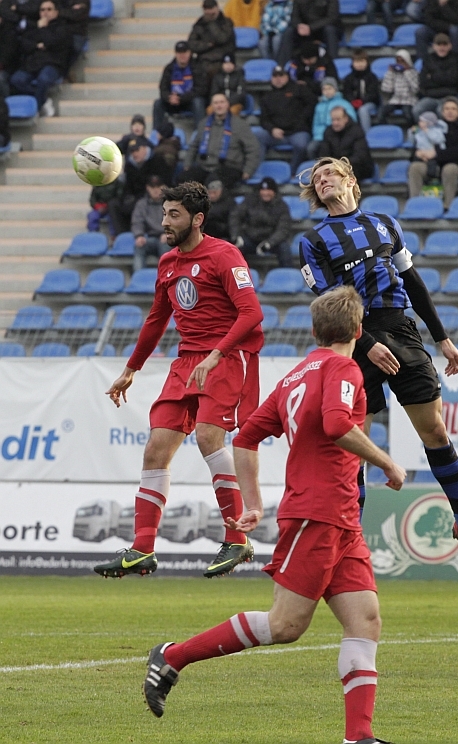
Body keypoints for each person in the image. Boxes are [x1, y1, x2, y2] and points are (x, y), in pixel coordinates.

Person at [141, 284, 407, 744]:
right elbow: (337, 424)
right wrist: (386, 462)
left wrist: (254, 503)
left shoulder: (295, 375)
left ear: (314, 331)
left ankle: (358, 737)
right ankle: (173, 656)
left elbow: (245, 436)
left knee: (365, 620)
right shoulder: (344, 368)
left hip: (340, 518)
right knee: (285, 625)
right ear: (358, 330)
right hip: (317, 512)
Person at [299, 156, 458, 568]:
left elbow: (413, 282)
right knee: (355, 446)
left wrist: (441, 337)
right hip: (352, 342)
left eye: (329, 173)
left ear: (350, 180)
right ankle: (350, 543)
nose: (323, 180)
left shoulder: (385, 223)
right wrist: (365, 343)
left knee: (434, 430)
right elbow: (329, 303)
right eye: (317, 179)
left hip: (400, 330)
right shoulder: (313, 240)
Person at [94, 181, 264, 580]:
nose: (165, 222)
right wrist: (131, 369)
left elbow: (251, 313)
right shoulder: (168, 262)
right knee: (156, 449)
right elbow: (157, 319)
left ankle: (237, 538)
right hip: (187, 361)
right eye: (164, 213)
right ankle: (142, 549)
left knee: (207, 437)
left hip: (227, 356)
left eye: (174, 215)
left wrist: (217, 354)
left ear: (197, 219)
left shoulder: (225, 255)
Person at [182, 92, 260, 189]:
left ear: (227, 104)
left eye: (222, 102)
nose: (219, 106)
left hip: (230, 167)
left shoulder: (240, 125)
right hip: (205, 167)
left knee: (213, 182)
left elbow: (252, 148)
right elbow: (194, 146)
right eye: (216, 103)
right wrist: (187, 165)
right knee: (183, 179)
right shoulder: (204, 123)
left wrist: (248, 170)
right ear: (212, 106)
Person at [408, 96, 458, 208]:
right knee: (415, 167)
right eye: (447, 109)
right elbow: (419, 145)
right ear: (442, 112)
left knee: (450, 169)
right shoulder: (431, 128)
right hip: (430, 164)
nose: (450, 111)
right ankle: (415, 205)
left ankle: (447, 206)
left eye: (453, 109)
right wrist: (418, 154)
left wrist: (436, 154)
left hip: (453, 165)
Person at [10, 0, 70, 116]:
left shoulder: (62, 28)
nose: (45, 12)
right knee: (16, 80)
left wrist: (42, 29)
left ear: (56, 12)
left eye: (49, 9)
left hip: (53, 63)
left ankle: (36, 109)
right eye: (42, 10)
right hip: (33, 63)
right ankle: (43, 99)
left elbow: (52, 43)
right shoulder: (33, 26)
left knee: (44, 79)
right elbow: (24, 44)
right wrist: (37, 45)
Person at [256, 66, 317, 174]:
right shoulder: (266, 97)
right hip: (277, 134)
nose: (278, 79)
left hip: (297, 131)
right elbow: (263, 119)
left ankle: (293, 172)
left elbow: (312, 104)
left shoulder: (299, 89)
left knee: (301, 144)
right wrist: (272, 129)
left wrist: (301, 121)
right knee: (258, 136)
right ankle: (258, 171)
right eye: (275, 76)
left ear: (287, 77)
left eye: (281, 75)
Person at [108, 136, 174, 235]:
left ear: (144, 148)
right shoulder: (130, 165)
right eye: (132, 151)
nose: (134, 154)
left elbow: (166, 183)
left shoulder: (158, 160)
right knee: (114, 204)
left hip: (154, 197)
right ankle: (122, 236)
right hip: (136, 197)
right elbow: (128, 187)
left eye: (137, 150)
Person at [229, 176, 292, 266]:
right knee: (236, 248)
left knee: (284, 248)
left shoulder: (282, 206)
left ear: (274, 192)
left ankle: (287, 273)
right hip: (251, 239)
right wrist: (236, 236)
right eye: (263, 190)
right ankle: (240, 273)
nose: (265, 193)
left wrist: (269, 243)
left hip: (272, 240)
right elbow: (235, 216)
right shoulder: (250, 201)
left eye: (269, 190)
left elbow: (283, 229)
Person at [152, 40, 208, 131]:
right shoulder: (169, 68)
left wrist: (181, 98)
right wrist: (169, 98)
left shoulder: (197, 67)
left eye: (185, 52)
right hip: (173, 102)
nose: (182, 55)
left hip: (189, 101)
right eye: (179, 52)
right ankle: (156, 134)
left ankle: (200, 133)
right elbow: (163, 88)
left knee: (198, 102)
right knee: (158, 104)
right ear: (176, 54)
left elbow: (201, 89)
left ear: (189, 53)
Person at [413, 33, 458, 121]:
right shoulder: (428, 59)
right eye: (439, 44)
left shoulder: (455, 59)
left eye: (444, 45)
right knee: (417, 110)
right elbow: (423, 81)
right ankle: (424, 129)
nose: (442, 48)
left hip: (448, 97)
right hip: (430, 97)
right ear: (434, 46)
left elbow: (454, 80)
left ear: (450, 46)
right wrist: (444, 77)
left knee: (441, 112)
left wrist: (433, 77)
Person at [319, 106, 375, 181]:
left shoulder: (357, 131)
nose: (335, 123)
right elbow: (324, 154)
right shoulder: (328, 132)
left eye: (338, 119)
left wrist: (341, 165)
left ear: (346, 119)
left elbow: (360, 156)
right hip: (335, 168)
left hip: (356, 168)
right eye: (333, 120)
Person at [277, 0, 341, 65]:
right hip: (304, 29)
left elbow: (332, 18)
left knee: (330, 30)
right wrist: (299, 26)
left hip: (322, 29)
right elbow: (294, 16)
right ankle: (282, 66)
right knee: (289, 32)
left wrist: (311, 27)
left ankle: (334, 64)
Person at [309, 77, 358, 159]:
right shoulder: (319, 106)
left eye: (329, 88)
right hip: (320, 137)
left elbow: (352, 120)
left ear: (335, 89)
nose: (327, 91)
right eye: (324, 89)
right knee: (311, 149)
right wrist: (318, 135)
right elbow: (316, 124)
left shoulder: (344, 104)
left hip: (338, 135)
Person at [130, 175, 170, 272]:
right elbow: (137, 222)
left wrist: (169, 233)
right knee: (139, 246)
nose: (156, 190)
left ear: (164, 187)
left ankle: (165, 277)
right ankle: (138, 277)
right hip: (151, 238)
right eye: (152, 187)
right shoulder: (142, 204)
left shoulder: (171, 203)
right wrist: (139, 236)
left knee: (166, 245)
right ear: (148, 188)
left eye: (158, 186)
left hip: (169, 239)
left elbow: (178, 222)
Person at [187, 0, 236, 79]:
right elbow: (191, 44)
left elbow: (222, 39)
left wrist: (211, 24)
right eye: (207, 14)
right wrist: (208, 45)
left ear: (217, 8)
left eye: (212, 14)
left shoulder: (226, 23)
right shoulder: (199, 24)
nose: (210, 16)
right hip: (203, 60)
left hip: (222, 59)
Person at [342, 48, 381, 134]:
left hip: (370, 103)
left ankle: (366, 134)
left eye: (362, 61)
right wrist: (352, 101)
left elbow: (373, 94)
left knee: (363, 110)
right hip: (352, 103)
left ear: (367, 62)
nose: (359, 64)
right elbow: (347, 93)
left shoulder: (372, 77)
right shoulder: (348, 78)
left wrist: (362, 101)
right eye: (357, 62)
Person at [379, 49, 419, 127]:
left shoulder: (413, 72)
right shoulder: (394, 73)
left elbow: (416, 89)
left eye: (402, 61)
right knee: (381, 112)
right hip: (395, 99)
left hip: (409, 100)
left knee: (408, 114)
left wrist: (406, 72)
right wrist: (390, 73)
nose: (400, 63)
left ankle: (412, 129)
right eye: (398, 61)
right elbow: (386, 89)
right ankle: (385, 130)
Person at [407, 110, 447, 181]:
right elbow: (413, 141)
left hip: (433, 153)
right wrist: (411, 132)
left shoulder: (437, 130)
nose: (419, 123)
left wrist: (427, 131)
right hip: (421, 152)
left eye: (422, 121)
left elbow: (437, 140)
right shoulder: (419, 131)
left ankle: (432, 177)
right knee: (413, 165)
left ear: (429, 123)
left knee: (432, 166)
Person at [0, 3, 20, 99]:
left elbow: (8, 54)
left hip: (8, 67)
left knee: (0, 78)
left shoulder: (9, 32)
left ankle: (5, 104)